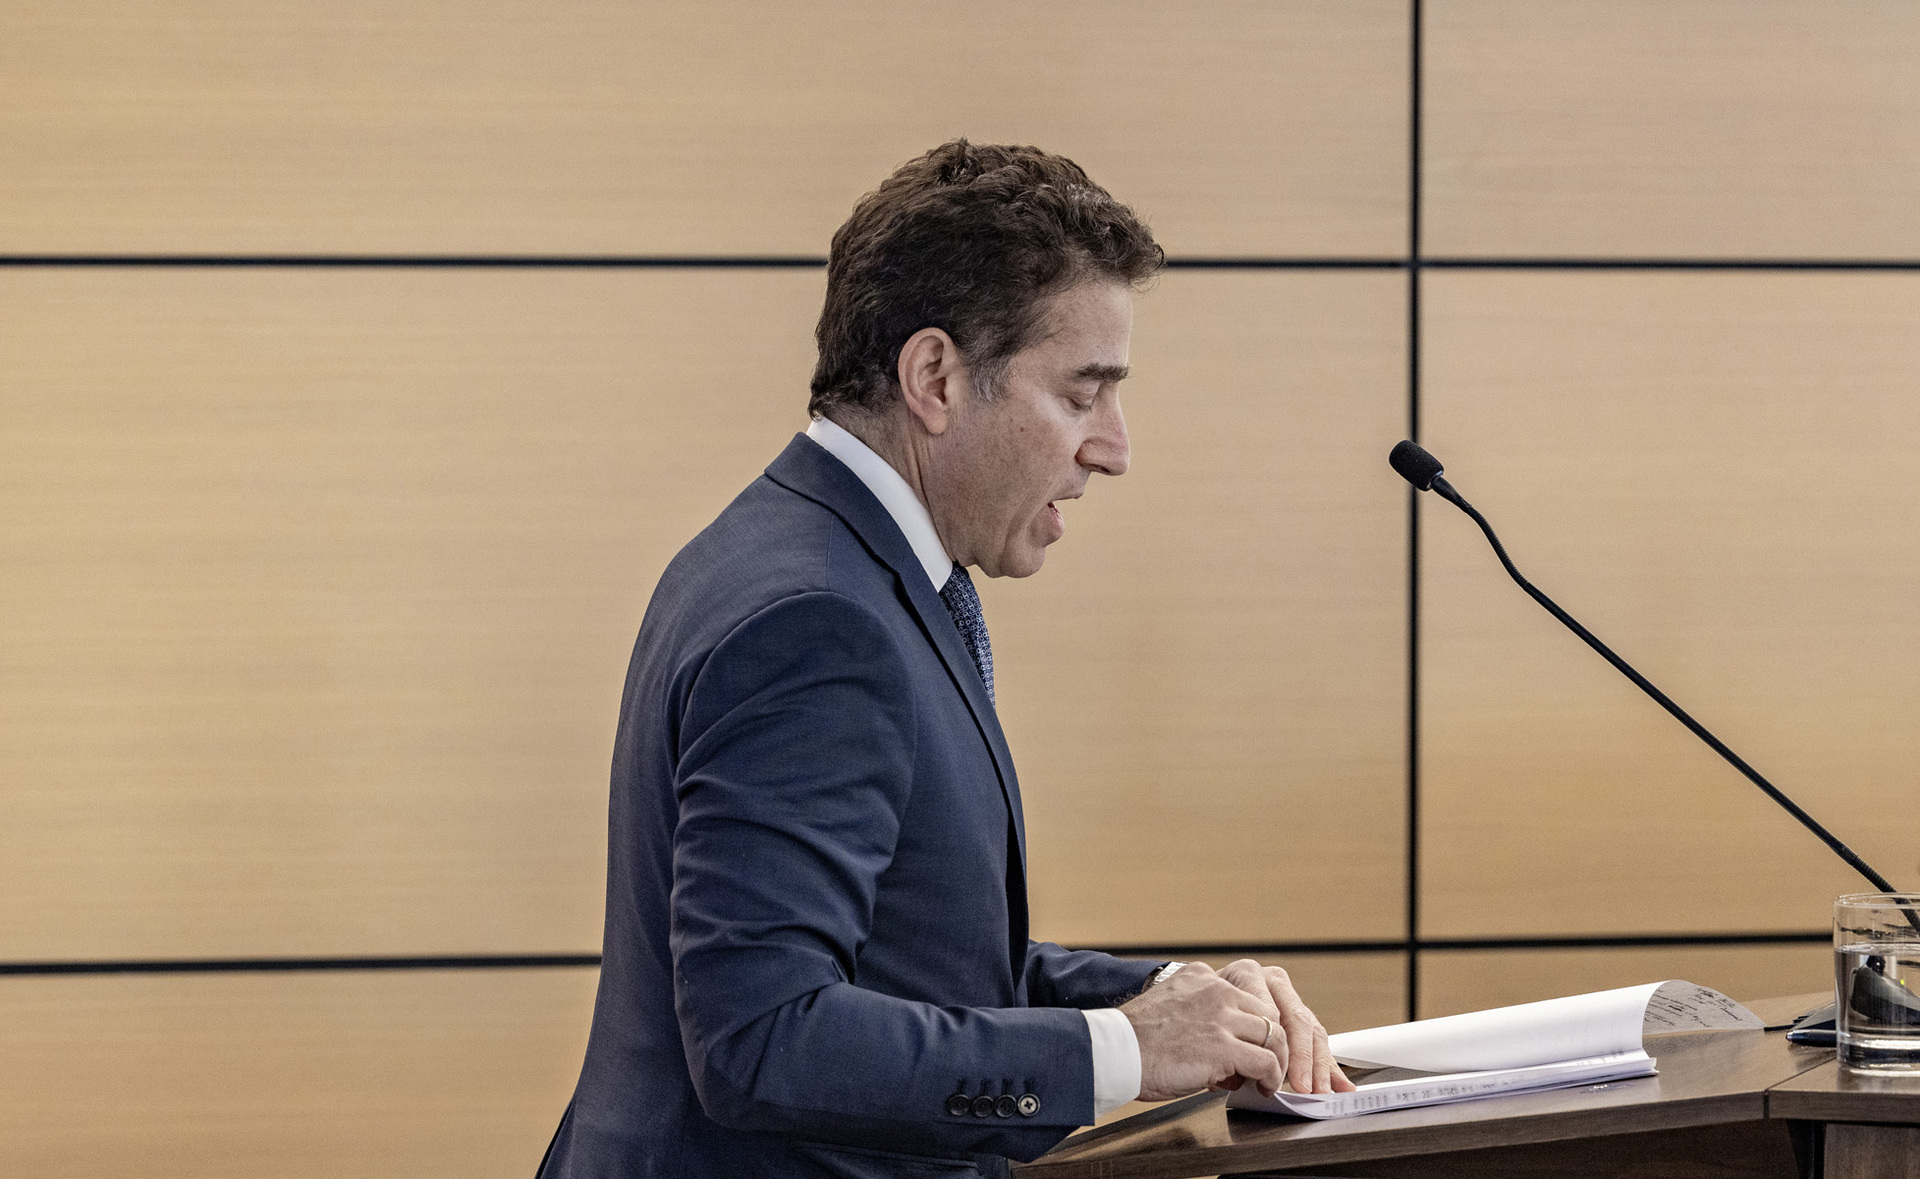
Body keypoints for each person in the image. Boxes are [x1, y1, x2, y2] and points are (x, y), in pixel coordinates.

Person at [537, 140, 1352, 1179]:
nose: (1114, 447)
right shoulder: (817, 622)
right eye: (1082, 394)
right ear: (935, 377)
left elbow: (909, 959)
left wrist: (1164, 1000)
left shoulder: (807, 554)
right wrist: (1124, 1051)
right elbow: (763, 1039)